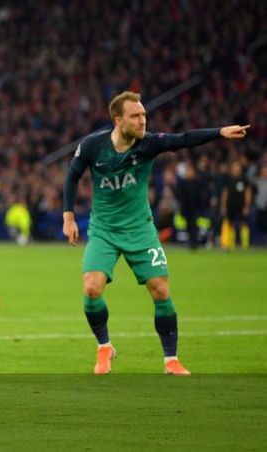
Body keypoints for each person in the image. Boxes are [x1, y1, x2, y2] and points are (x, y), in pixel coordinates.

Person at [62, 91, 249, 376]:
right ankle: (104, 346)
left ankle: (170, 360)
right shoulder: (92, 146)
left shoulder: (148, 144)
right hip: (104, 229)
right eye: (135, 116)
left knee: (161, 290)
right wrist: (68, 217)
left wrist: (220, 132)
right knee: (91, 288)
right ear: (118, 120)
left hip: (140, 229)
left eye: (144, 115)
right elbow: (73, 175)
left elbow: (183, 139)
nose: (142, 120)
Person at [220, 161, 252, 250]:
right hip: (230, 205)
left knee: (243, 223)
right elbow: (225, 193)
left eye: (238, 167)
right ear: (232, 169)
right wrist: (223, 206)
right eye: (235, 167)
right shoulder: (228, 179)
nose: (236, 169)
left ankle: (245, 245)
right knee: (230, 224)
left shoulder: (244, 179)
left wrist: (247, 205)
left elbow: (248, 192)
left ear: (240, 168)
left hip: (241, 205)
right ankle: (230, 244)